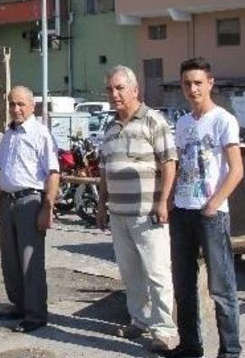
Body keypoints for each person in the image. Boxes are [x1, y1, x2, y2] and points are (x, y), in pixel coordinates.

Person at [96, 65, 178, 353]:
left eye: (119, 88)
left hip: (148, 214)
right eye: (110, 89)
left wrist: (163, 202)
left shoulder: (154, 121)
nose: (114, 94)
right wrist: (101, 205)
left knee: (157, 273)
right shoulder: (109, 128)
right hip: (118, 213)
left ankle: (165, 330)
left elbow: (169, 163)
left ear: (135, 89)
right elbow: (104, 171)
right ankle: (140, 321)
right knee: (130, 273)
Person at [165, 57, 243, 358]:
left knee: (221, 289)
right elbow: (178, 165)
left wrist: (213, 204)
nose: (193, 89)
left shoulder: (224, 120)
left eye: (198, 83)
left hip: (211, 215)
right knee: (183, 286)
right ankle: (189, 346)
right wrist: (170, 200)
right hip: (182, 212)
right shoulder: (183, 123)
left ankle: (230, 351)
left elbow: (236, 170)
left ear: (210, 83)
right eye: (187, 83)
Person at [0, 85, 60, 333]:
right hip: (8, 201)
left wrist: (47, 208)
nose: (16, 109)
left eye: (21, 104)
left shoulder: (41, 134)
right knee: (10, 261)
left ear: (33, 106)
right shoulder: (8, 134)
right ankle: (19, 306)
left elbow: (53, 174)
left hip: (30, 202)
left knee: (30, 262)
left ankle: (35, 315)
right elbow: (4, 173)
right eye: (12, 104)